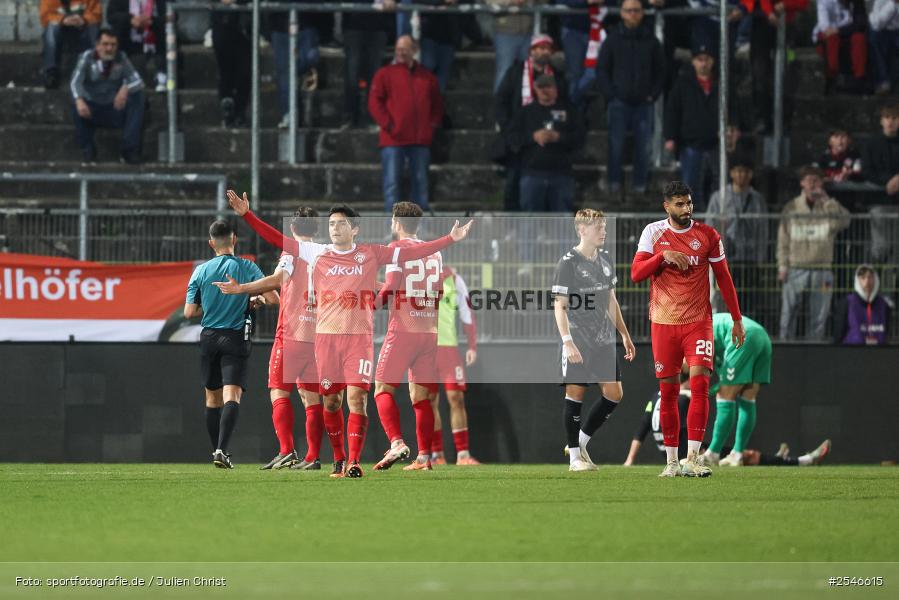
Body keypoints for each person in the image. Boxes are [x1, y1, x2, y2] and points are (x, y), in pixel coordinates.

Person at [221, 190, 473, 478]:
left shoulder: (371, 253)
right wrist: (246, 215)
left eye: (341, 223)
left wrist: (450, 240)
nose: (334, 228)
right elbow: (277, 240)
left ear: (354, 228)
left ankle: (353, 461)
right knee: (331, 402)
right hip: (326, 341)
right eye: (331, 224)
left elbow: (413, 252)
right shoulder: (318, 252)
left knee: (357, 399)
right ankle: (339, 458)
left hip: (358, 341)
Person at [630, 180, 745, 478]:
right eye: (679, 204)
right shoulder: (653, 233)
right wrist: (662, 257)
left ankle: (692, 458)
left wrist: (736, 319)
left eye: (689, 203)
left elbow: (724, 278)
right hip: (663, 323)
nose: (686, 209)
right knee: (667, 394)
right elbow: (635, 274)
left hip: (698, 322)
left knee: (700, 387)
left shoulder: (708, 235)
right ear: (666, 206)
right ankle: (671, 462)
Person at [214, 208, 325, 470]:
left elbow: (278, 279)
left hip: (291, 334)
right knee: (311, 398)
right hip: (318, 334)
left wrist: (242, 289)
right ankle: (313, 456)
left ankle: (287, 450)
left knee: (279, 392)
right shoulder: (325, 253)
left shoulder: (292, 252)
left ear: (293, 229)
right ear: (317, 229)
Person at [184, 220, 274, 469]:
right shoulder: (247, 266)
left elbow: (189, 312)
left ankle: (216, 451)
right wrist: (254, 298)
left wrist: (211, 305)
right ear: (234, 239)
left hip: (209, 338)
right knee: (231, 394)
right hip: (235, 337)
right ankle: (223, 449)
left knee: (212, 399)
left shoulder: (200, 271)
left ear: (211, 243)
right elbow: (273, 298)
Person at [554, 209, 637, 472]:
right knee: (576, 394)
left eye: (604, 227)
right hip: (578, 338)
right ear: (582, 230)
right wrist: (567, 341)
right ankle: (574, 459)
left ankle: (578, 442)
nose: (604, 232)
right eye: (599, 228)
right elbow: (559, 306)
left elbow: (610, 300)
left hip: (603, 339)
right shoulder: (568, 262)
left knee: (614, 394)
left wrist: (624, 334)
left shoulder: (605, 260)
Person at [370, 202, 443, 472]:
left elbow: (390, 287)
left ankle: (397, 442)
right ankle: (424, 458)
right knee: (420, 397)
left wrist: (372, 306)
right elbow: (436, 293)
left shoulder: (397, 250)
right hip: (429, 331)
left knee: (382, 389)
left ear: (396, 223)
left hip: (403, 331)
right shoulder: (435, 254)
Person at [625, 389, 832, 466]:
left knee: (742, 456)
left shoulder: (655, 397)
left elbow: (641, 429)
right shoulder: (681, 398)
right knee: (745, 455)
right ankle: (802, 461)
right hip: (686, 454)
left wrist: (629, 461)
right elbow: (684, 429)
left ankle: (779, 459)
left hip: (673, 455)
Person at [594, 0, 665, 194]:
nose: (632, 14)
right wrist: (611, 95)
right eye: (628, 10)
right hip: (619, 102)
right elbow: (602, 70)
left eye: (636, 10)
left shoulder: (651, 41)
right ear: (622, 13)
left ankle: (640, 187)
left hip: (644, 103)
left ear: (642, 13)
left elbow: (660, 71)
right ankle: (614, 184)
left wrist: (653, 95)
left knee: (644, 148)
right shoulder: (612, 40)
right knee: (615, 146)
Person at [369, 35, 444, 213]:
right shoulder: (384, 74)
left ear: (414, 50)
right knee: (392, 186)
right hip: (393, 139)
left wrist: (431, 125)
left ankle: (417, 231)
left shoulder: (427, 77)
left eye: (405, 48)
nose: (401, 52)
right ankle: (393, 229)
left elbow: (437, 104)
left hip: (419, 140)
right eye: (398, 48)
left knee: (420, 187)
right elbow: (374, 103)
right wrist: (389, 125)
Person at [494, 34, 568, 212]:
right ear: (531, 51)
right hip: (519, 139)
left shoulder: (557, 77)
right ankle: (511, 224)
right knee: (513, 182)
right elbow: (501, 101)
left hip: (546, 141)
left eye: (547, 48)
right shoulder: (516, 72)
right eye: (539, 48)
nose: (543, 52)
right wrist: (508, 129)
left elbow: (564, 104)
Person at [776, 166, 851, 341]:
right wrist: (782, 265)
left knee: (819, 316)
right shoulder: (791, 207)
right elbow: (783, 240)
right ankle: (785, 350)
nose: (812, 183)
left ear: (822, 183)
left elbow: (845, 221)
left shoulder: (828, 206)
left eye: (816, 180)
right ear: (802, 183)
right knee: (788, 313)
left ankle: (814, 354)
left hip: (822, 268)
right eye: (808, 179)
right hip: (795, 268)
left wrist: (828, 201)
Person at [702, 313, 772, 467]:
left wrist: (706, 391)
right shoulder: (709, 322)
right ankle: (737, 454)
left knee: (724, 396)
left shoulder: (695, 331)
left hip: (741, 336)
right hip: (762, 336)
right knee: (748, 398)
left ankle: (712, 454)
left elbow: (705, 361)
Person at [509, 73, 585, 214]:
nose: (545, 90)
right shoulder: (525, 112)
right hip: (532, 173)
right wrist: (533, 137)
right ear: (535, 89)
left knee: (562, 221)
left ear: (556, 89)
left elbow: (580, 138)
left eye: (548, 87)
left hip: (562, 174)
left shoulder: (569, 111)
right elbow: (512, 139)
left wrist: (559, 137)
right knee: (529, 219)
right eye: (541, 87)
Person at [428, 264, 480, 465]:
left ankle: (463, 455)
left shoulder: (455, 280)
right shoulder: (416, 277)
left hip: (449, 350)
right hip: (426, 349)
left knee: (456, 398)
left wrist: (472, 346)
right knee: (429, 401)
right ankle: (437, 454)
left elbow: (467, 313)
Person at [70, 28, 146, 164]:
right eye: (105, 44)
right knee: (76, 103)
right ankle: (88, 150)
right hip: (92, 107)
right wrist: (79, 100)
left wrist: (125, 88)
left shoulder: (121, 57)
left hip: (114, 107)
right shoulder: (87, 57)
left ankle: (129, 150)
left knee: (138, 98)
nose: (109, 48)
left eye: (113, 45)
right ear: (97, 45)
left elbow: (138, 81)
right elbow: (75, 82)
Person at [706, 159, 768, 317]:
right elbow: (709, 226)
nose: (741, 175)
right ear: (732, 173)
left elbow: (763, 229)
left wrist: (761, 256)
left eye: (745, 172)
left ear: (751, 174)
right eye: (738, 171)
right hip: (726, 256)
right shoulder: (719, 197)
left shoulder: (757, 199)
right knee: (724, 298)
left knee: (749, 298)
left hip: (750, 256)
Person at [663, 45, 719, 212]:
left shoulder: (720, 82)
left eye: (707, 60)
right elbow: (673, 110)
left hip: (715, 143)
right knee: (690, 190)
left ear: (713, 61)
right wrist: (670, 136)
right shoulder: (683, 83)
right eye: (700, 60)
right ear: (694, 62)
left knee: (717, 188)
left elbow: (733, 107)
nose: (703, 64)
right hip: (691, 144)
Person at [268, 1, 327, 128]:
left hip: (306, 25)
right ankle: (288, 114)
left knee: (310, 57)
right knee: (284, 75)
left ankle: (299, 78)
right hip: (280, 27)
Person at [341, 0, 394, 129]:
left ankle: (373, 116)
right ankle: (350, 115)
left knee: (375, 76)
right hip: (353, 26)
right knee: (352, 75)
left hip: (378, 27)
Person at [861, 103, 899, 265]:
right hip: (878, 201)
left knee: (897, 252)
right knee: (881, 247)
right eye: (887, 118)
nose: (891, 122)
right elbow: (867, 170)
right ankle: (872, 285)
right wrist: (887, 182)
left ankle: (891, 289)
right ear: (881, 121)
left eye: (895, 118)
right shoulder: (871, 143)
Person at [105, 0, 168, 92]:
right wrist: (130, 19)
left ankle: (161, 75)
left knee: (165, 31)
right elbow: (110, 17)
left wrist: (151, 21)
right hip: (129, 40)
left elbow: (170, 14)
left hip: (153, 39)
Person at [39, 0, 101, 90]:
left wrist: (83, 19)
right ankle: (51, 73)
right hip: (61, 28)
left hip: (82, 27)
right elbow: (45, 17)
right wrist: (63, 20)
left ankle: (92, 71)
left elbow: (97, 14)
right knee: (51, 28)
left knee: (93, 28)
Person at [812, 0, 869, 93]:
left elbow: (860, 24)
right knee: (832, 39)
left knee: (859, 38)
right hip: (829, 35)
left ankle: (859, 79)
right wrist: (835, 31)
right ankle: (831, 78)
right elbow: (825, 27)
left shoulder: (856, 2)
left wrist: (839, 30)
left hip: (846, 33)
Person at [489, 0, 546, 92]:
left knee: (530, 71)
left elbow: (544, 2)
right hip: (505, 31)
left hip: (529, 31)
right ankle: (500, 104)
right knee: (504, 71)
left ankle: (528, 104)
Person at [212, 0, 251, 127]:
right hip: (222, 27)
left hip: (243, 28)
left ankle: (239, 112)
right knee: (226, 70)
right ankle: (227, 109)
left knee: (244, 73)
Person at [833, 265, 894, 345]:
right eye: (863, 278)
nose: (867, 282)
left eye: (870, 277)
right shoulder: (847, 303)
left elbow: (887, 334)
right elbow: (838, 335)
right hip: (852, 353)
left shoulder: (884, 304)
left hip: (879, 353)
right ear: (857, 281)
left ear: (876, 279)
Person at [869, 0, 899, 96]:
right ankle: (884, 82)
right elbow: (876, 24)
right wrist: (892, 4)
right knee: (875, 37)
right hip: (883, 32)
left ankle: (886, 82)